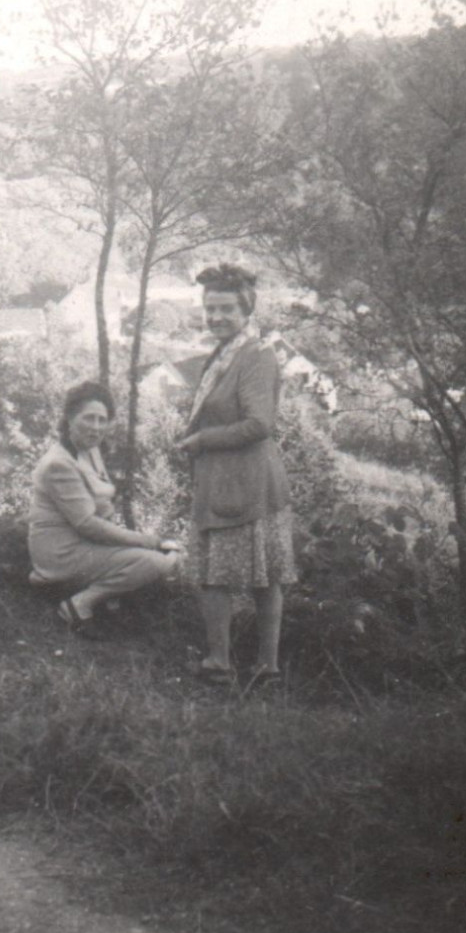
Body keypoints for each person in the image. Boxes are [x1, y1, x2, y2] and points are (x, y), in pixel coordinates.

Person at [176, 264, 296, 683]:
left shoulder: (256, 356)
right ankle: (230, 662)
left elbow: (260, 423)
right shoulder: (227, 352)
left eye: (226, 308)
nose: (216, 318)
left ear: (247, 310)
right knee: (223, 575)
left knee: (246, 577)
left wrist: (204, 439)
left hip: (247, 484)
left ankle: (253, 666)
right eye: (210, 309)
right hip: (225, 479)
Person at [29, 380, 181, 639]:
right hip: (61, 553)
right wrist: (149, 541)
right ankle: (79, 605)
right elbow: (87, 524)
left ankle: (112, 602)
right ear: (69, 418)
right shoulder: (59, 464)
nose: (96, 427)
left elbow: (101, 508)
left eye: (103, 419)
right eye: (89, 418)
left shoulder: (89, 450)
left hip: (85, 544)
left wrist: (133, 543)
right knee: (157, 562)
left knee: (172, 558)